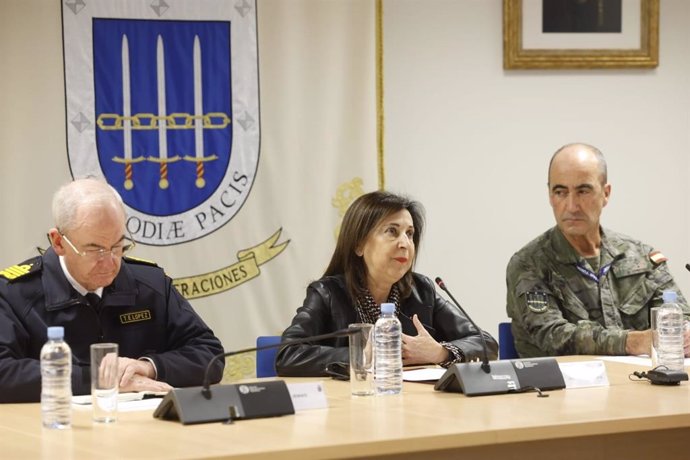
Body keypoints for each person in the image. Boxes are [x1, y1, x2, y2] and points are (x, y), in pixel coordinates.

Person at [0, 178, 224, 403]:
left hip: (143, 429)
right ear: (58, 242)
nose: (110, 263)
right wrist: (100, 379)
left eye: (117, 246)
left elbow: (209, 353)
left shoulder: (151, 285)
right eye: (94, 249)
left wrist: (148, 367)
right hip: (51, 429)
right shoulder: (14, 293)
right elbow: (4, 371)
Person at [276, 190, 497, 376]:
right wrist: (364, 355)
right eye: (392, 231)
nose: (405, 243)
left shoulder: (422, 290)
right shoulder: (328, 293)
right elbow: (288, 355)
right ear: (359, 245)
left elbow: (486, 343)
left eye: (409, 234)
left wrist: (440, 352)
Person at [506, 143, 690, 358]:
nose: (572, 205)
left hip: (639, 384)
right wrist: (633, 342)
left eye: (583, 191)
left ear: (606, 193)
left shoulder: (641, 258)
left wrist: (684, 334)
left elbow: (679, 316)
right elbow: (553, 336)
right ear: (549, 195)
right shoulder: (529, 264)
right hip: (562, 387)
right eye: (560, 192)